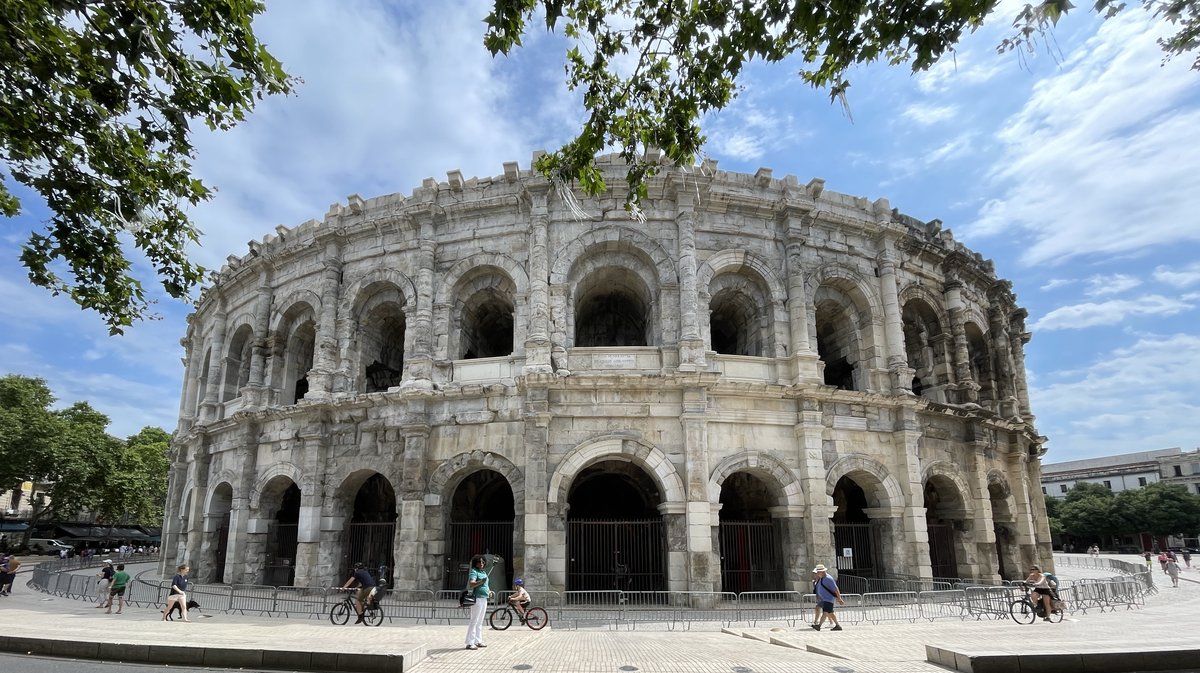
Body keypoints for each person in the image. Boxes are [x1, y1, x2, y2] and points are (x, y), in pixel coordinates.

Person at [464, 555, 489, 650]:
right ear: (476, 563)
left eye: (483, 562)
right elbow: (471, 584)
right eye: (480, 562)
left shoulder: (483, 572)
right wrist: (480, 582)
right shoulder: (474, 571)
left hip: (484, 598)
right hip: (477, 598)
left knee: (480, 621)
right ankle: (470, 643)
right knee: (474, 621)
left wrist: (489, 591)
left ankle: (478, 641)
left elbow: (486, 584)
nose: (482, 564)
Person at [809, 564, 845, 631]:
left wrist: (839, 598)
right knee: (830, 613)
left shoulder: (829, 579)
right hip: (824, 599)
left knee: (825, 612)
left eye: (818, 572)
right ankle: (838, 625)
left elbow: (836, 589)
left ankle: (819, 626)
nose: (817, 573)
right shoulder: (821, 578)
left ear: (822, 572)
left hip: (828, 599)